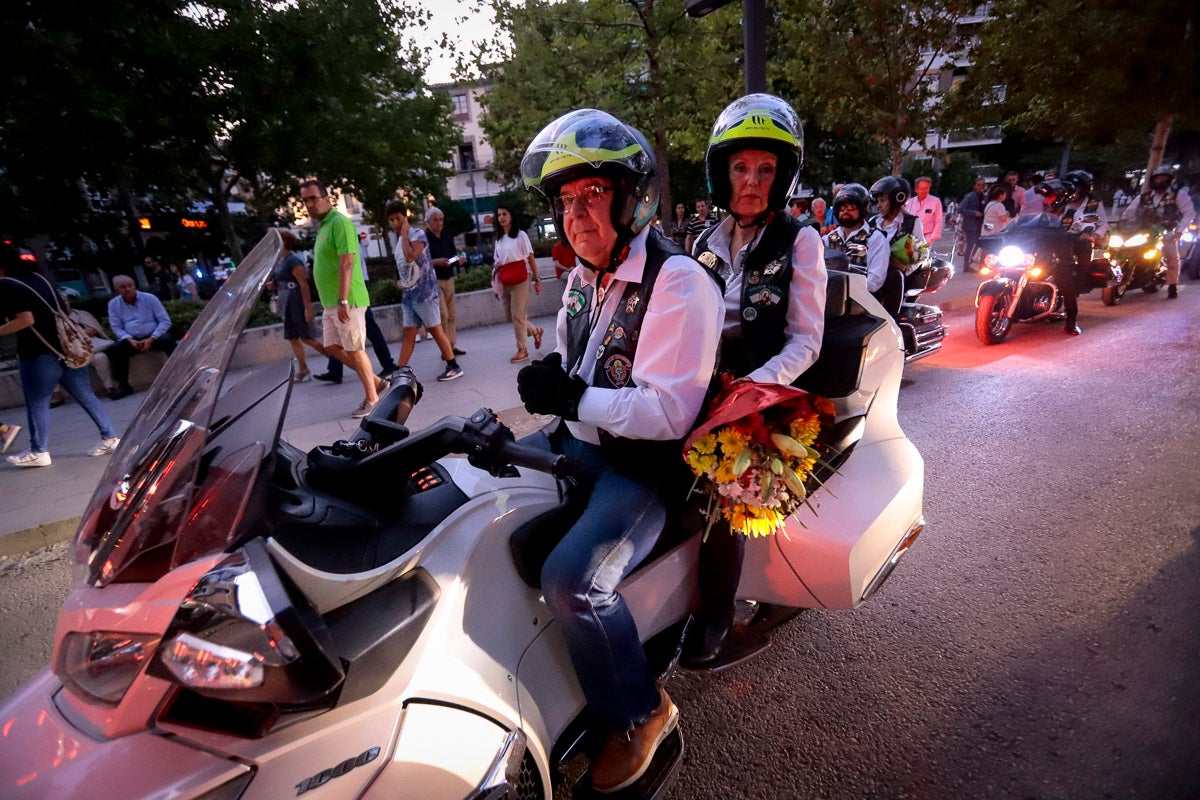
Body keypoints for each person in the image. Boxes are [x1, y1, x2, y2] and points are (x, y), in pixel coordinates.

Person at [517, 108, 723, 794]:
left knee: (574, 579)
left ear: (633, 199)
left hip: (644, 469)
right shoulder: (584, 276)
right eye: (566, 201)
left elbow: (667, 412)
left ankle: (640, 712)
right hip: (579, 448)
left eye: (593, 195)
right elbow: (566, 362)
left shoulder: (680, 282)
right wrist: (549, 385)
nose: (577, 214)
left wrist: (570, 399)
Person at [682, 94, 826, 669]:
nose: (751, 181)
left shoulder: (801, 241)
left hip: (765, 394)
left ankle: (718, 611)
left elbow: (806, 342)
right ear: (723, 173)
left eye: (765, 170)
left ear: (782, 177)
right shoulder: (700, 244)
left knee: (726, 485)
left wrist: (749, 392)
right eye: (741, 167)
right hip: (702, 383)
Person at [0, 243, 119, 467]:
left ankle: (38, 451)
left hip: (38, 351)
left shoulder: (7, 285)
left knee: (37, 402)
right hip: (66, 346)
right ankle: (110, 437)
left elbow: (26, 320)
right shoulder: (39, 278)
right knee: (85, 394)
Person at [298, 179, 387, 418]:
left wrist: (343, 300)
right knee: (332, 347)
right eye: (305, 200)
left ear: (327, 198)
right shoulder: (323, 227)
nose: (309, 204)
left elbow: (347, 262)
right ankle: (377, 382)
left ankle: (373, 399)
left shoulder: (340, 223)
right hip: (330, 302)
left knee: (355, 349)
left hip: (347, 300)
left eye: (313, 198)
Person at [386, 200, 463, 382]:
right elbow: (404, 266)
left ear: (405, 217)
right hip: (409, 294)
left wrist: (405, 234)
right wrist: (402, 281)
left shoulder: (417, 234)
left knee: (435, 330)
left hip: (425, 294)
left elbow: (410, 256)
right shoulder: (400, 240)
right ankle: (400, 370)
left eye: (397, 218)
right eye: (391, 220)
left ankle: (453, 365)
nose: (394, 223)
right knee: (409, 333)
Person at [1011, 179, 1084, 334]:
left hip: (1060, 256)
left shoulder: (1074, 214)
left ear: (1061, 197)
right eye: (1046, 197)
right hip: (1036, 253)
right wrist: (1005, 233)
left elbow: (1081, 229)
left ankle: (1071, 322)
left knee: (1067, 284)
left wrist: (1080, 232)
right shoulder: (1037, 216)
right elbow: (1017, 227)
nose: (1046, 200)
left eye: (1049, 196)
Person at [1121, 165, 1195, 299]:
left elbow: (1189, 213)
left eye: (1163, 178)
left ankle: (1172, 285)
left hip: (1167, 232)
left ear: (1170, 180)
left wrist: (1179, 231)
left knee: (1172, 255)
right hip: (1143, 231)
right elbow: (1129, 213)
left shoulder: (1178, 195)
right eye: (1157, 178)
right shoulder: (1143, 197)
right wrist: (1123, 225)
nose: (1159, 181)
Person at [267, 229, 326, 382]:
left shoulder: (293, 261)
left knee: (306, 337)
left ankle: (335, 358)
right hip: (286, 299)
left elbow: (303, 284)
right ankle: (303, 368)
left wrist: (307, 308)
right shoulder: (282, 260)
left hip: (295, 300)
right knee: (293, 337)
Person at [105, 273, 177, 400]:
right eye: (123, 287)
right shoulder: (113, 304)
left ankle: (183, 375)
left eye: (130, 285)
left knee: (169, 341)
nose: (127, 289)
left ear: (134, 285)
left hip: (154, 336)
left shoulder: (150, 298)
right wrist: (129, 339)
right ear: (117, 290)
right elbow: (116, 327)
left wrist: (152, 338)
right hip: (132, 339)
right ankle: (124, 386)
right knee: (115, 350)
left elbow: (165, 321)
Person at [492, 204, 543, 363]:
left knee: (518, 315)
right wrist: (496, 285)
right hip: (506, 279)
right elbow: (497, 263)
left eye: (504, 214)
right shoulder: (499, 239)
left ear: (511, 216)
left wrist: (537, 279)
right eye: (499, 215)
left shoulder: (521, 235)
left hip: (521, 277)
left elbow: (531, 258)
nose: (501, 217)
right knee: (511, 317)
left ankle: (522, 349)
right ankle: (536, 331)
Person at [823, 183, 890, 301]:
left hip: (864, 302)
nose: (845, 211)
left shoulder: (875, 238)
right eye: (842, 208)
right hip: (829, 299)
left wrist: (845, 288)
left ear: (863, 209)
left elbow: (875, 282)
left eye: (851, 208)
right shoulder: (828, 239)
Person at [423, 206, 466, 356]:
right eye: (435, 220)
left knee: (452, 315)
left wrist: (458, 260)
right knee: (443, 315)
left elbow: (452, 256)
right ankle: (446, 348)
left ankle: (451, 346)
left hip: (449, 277)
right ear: (428, 221)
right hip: (434, 281)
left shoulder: (447, 237)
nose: (439, 223)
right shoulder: (424, 239)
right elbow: (420, 260)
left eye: (441, 219)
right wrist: (436, 261)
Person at [958, 177, 988, 272]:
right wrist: (974, 213)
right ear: (974, 185)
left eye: (983, 185)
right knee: (971, 244)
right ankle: (966, 265)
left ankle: (972, 261)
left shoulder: (985, 197)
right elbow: (961, 209)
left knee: (979, 244)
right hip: (971, 224)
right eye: (979, 185)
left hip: (981, 224)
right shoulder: (969, 197)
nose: (981, 187)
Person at [903, 176, 943, 244]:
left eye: (926, 188)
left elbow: (938, 221)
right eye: (922, 188)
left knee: (922, 254)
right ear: (916, 189)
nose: (924, 191)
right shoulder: (909, 202)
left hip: (927, 238)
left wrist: (931, 239)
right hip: (910, 238)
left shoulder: (936, 202)